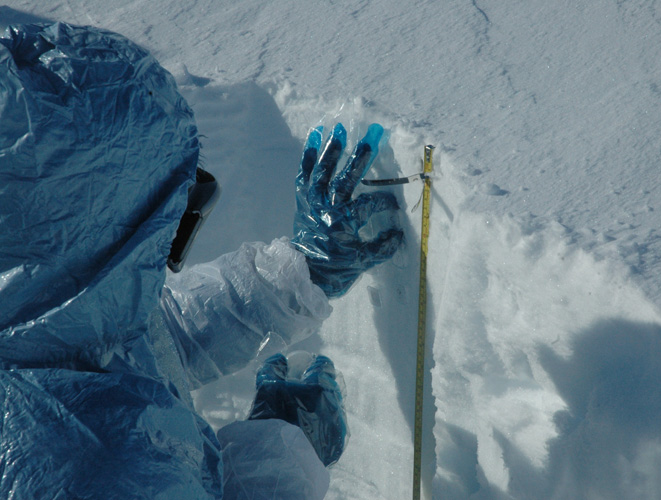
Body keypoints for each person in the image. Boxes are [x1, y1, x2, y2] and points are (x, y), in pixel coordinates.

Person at [0, 22, 403, 499]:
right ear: (103, 229)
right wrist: (283, 457)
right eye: (173, 207)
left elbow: (143, 341)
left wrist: (300, 275)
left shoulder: (39, 313)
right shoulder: (93, 472)